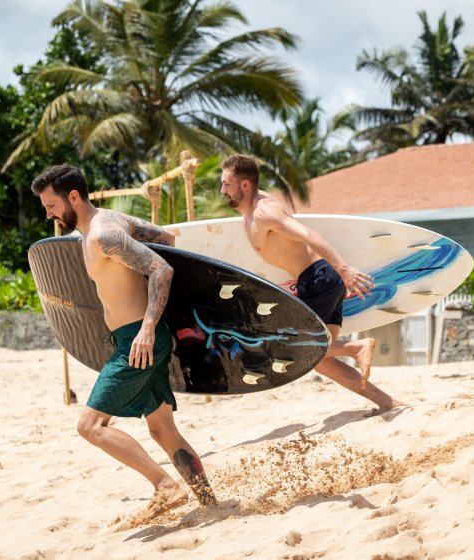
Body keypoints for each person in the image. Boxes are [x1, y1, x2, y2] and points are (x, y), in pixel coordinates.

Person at [32, 164, 216, 524]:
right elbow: (165, 237)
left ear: (73, 196)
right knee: (162, 429)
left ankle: (165, 486)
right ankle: (210, 500)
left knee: (90, 426)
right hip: (138, 338)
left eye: (51, 205)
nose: (49, 214)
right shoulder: (109, 222)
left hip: (137, 341)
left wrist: (147, 327)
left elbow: (162, 268)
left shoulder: (103, 235)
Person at [219, 154, 404, 412]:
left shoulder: (265, 212)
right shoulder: (250, 212)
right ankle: (387, 402)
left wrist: (344, 269)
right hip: (316, 280)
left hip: (319, 278)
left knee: (293, 347)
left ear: (245, 185)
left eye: (227, 184)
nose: (222, 190)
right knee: (321, 359)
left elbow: (308, 234)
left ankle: (356, 347)